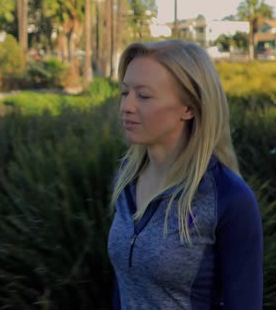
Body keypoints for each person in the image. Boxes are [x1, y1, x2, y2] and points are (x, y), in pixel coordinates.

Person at [107, 40, 263, 309]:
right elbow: (125, 285)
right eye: (125, 92)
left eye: (143, 96)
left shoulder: (229, 199)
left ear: (189, 108)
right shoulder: (127, 179)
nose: (126, 106)